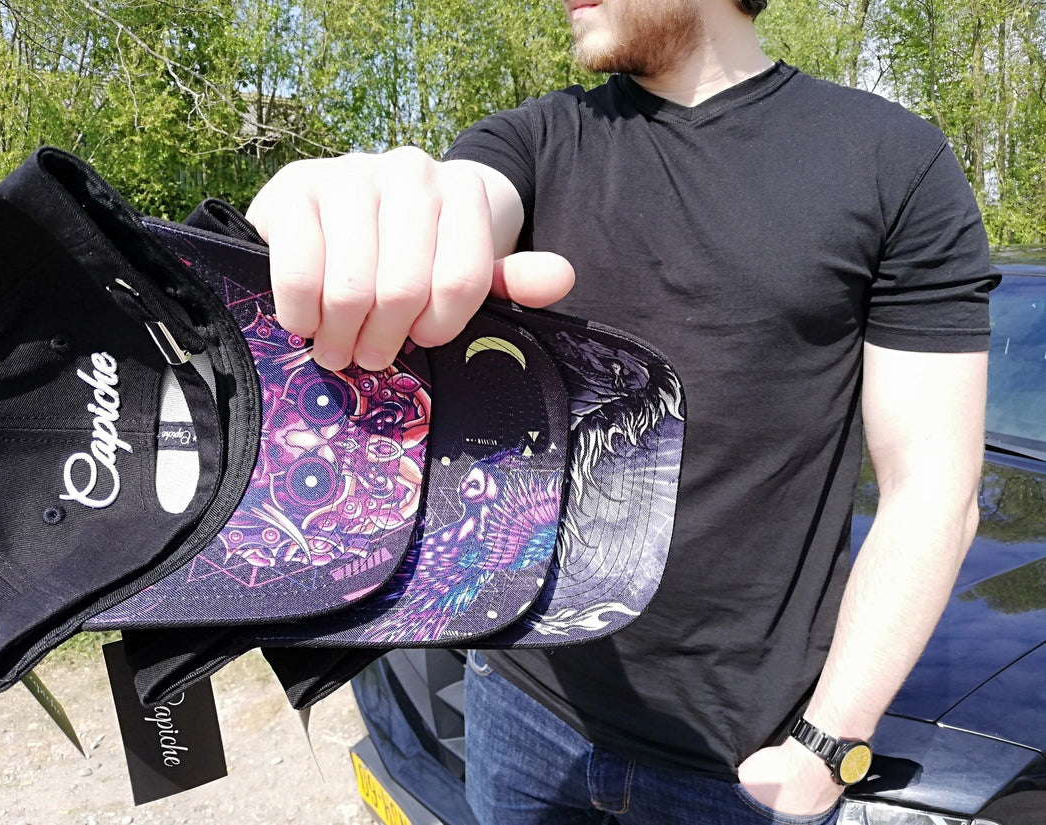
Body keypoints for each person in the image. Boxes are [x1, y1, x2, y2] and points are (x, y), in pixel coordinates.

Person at [245, 0, 997, 822]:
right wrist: (376, 210)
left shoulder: (893, 162)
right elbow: (461, 203)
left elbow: (932, 487)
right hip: (524, 707)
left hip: (741, 764)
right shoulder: (535, 139)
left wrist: (829, 744)